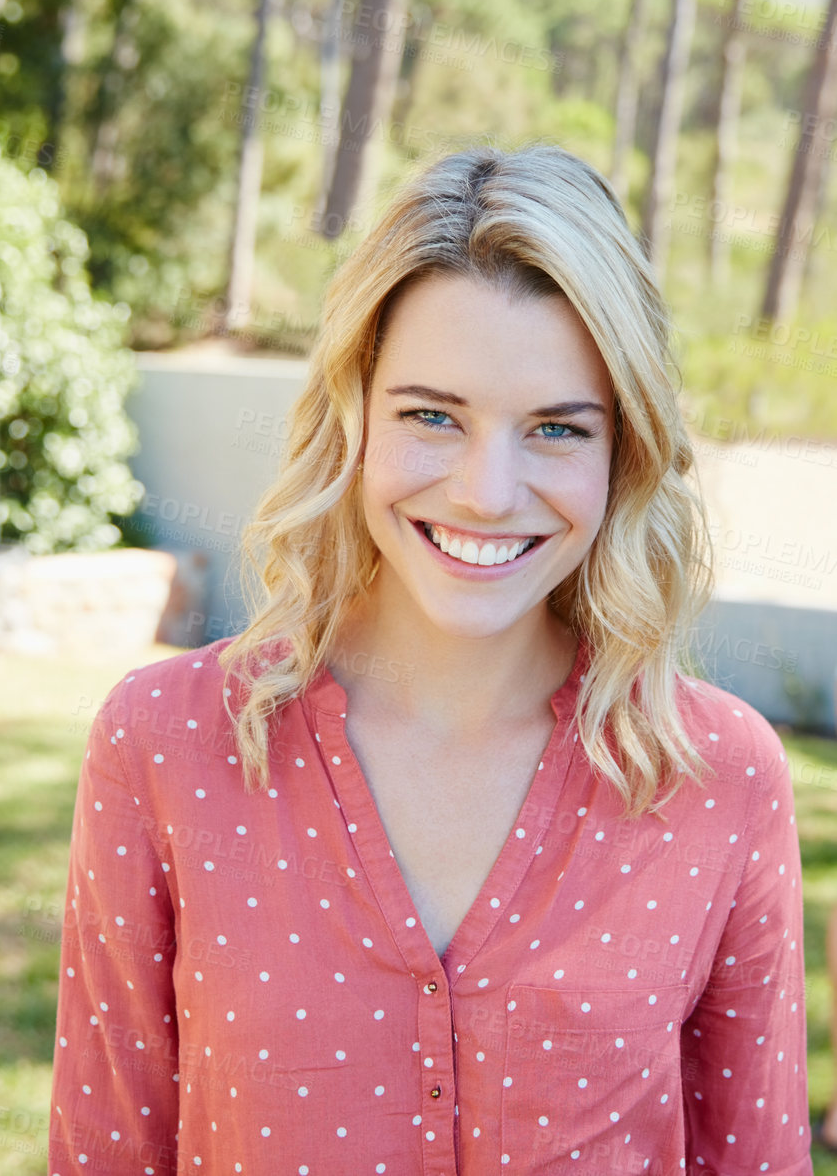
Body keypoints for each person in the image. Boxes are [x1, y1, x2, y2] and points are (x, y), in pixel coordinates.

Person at [46, 144, 812, 1175]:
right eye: (432, 415)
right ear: (355, 410)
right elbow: (108, 1151)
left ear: (621, 448)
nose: (486, 491)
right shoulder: (165, 741)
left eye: (553, 427)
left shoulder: (718, 775)